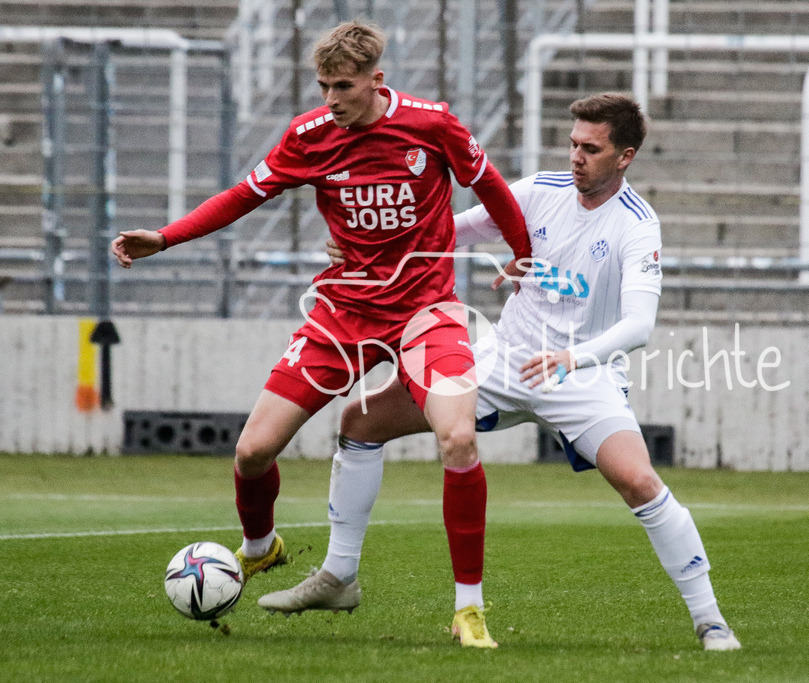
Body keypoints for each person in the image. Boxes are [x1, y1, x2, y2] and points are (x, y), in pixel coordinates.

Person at [259, 93, 742, 651]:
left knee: (639, 482)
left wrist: (574, 358)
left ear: (625, 156)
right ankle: (339, 576)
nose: (576, 156)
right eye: (573, 144)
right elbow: (446, 232)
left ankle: (710, 620)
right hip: (503, 359)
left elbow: (639, 325)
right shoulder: (541, 191)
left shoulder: (637, 226)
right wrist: (367, 252)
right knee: (361, 419)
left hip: (581, 375)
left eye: (592, 148)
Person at [110, 21, 531, 647]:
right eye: (324, 85)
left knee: (459, 438)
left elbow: (492, 187)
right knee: (252, 452)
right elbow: (241, 197)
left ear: (375, 81)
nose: (331, 99)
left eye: (344, 86)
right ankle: (261, 547)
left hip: (427, 311)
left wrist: (521, 254)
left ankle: (468, 608)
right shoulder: (308, 136)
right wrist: (167, 237)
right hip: (343, 312)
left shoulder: (432, 124)